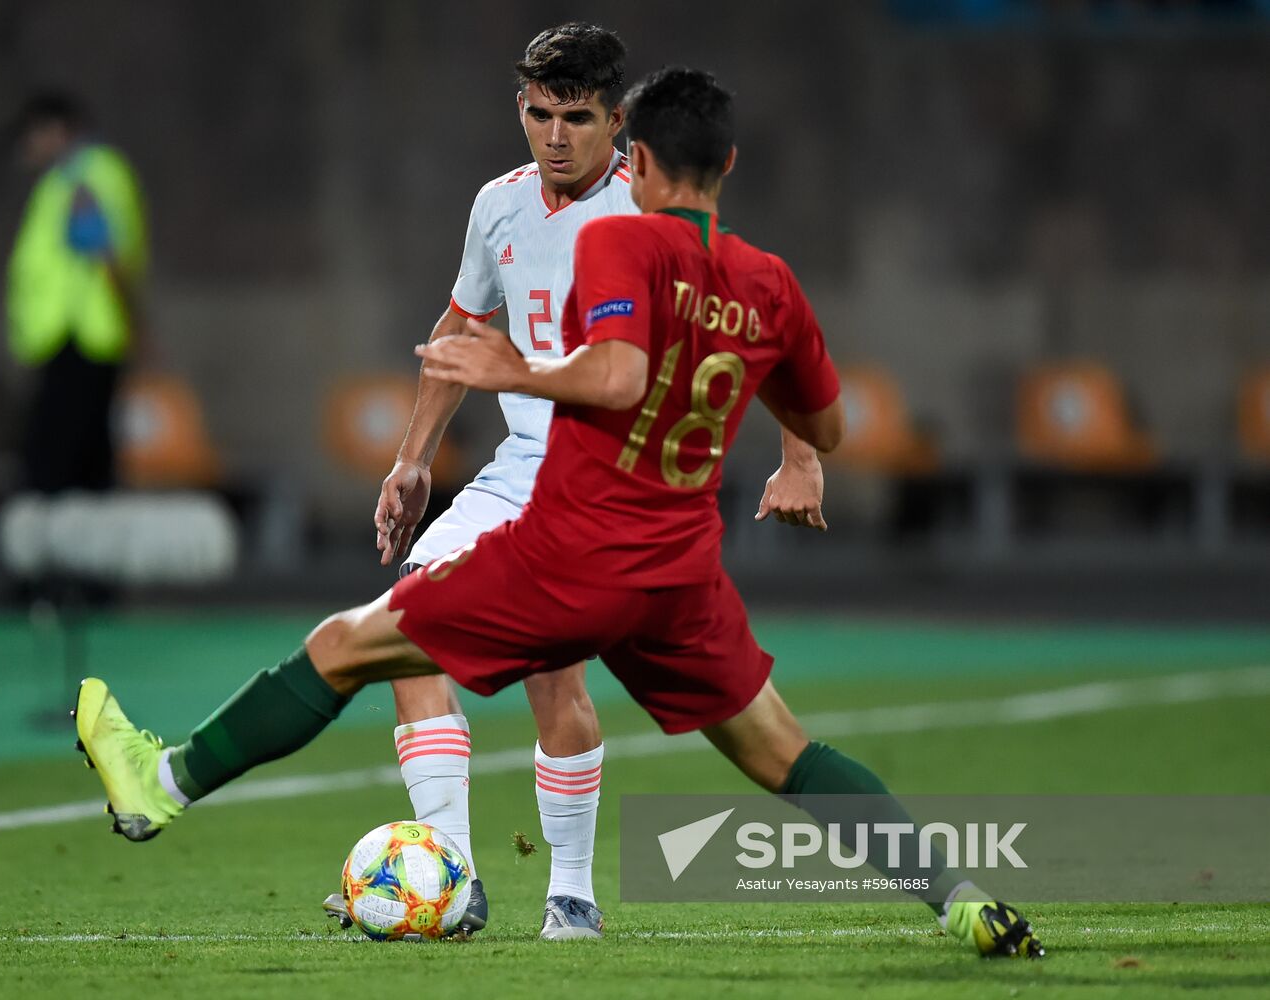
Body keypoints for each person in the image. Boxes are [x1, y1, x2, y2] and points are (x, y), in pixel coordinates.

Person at [75, 66, 1038, 957]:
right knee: (785, 751)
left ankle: (158, 787)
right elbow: (823, 419)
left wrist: (512, 367)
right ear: (731, 163)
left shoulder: (620, 237)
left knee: (342, 647)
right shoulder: (768, 282)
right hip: (681, 575)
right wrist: (801, 462)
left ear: (640, 157)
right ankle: (963, 901)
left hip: (576, 553)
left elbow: (615, 376)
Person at [370, 22, 825, 939]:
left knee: (553, 677)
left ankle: (571, 892)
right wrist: (413, 458)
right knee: (405, 634)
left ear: (619, 122)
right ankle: (451, 881)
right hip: (513, 471)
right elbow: (460, 328)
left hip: (603, 479)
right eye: (539, 114)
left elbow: (750, 324)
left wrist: (802, 452)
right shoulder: (496, 206)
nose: (555, 136)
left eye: (577, 117)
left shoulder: (649, 218)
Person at [7, 91, 148, 495]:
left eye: (31, 134)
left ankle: (59, 538)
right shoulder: (74, 177)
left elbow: (106, 253)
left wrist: (136, 322)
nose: (26, 146)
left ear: (58, 131)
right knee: (86, 447)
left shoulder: (81, 178)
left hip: (79, 331)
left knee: (58, 454)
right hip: (73, 333)